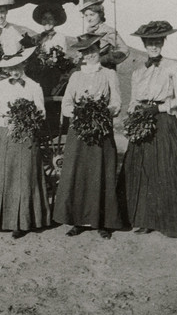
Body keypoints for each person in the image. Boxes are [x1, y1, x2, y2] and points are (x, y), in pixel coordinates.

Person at [117, 20, 177, 249]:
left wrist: (159, 108)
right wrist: (133, 112)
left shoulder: (173, 66)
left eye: (157, 42)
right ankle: (146, 220)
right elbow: (134, 99)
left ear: (162, 42)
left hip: (163, 119)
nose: (153, 46)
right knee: (142, 169)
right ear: (144, 44)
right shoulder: (138, 71)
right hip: (142, 120)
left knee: (168, 169)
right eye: (149, 43)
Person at [52, 33, 126, 239]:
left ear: (99, 52)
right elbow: (66, 104)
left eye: (93, 51)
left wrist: (104, 112)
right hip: (79, 130)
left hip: (101, 129)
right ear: (82, 55)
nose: (90, 55)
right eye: (86, 52)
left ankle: (101, 221)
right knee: (79, 172)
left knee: (101, 172)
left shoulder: (109, 74)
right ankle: (77, 221)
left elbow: (117, 103)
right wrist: (79, 113)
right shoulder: (76, 76)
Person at [0, 45, 51, 239]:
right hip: (8, 134)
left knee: (26, 175)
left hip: (28, 136)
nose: (14, 71)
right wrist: (7, 121)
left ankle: (26, 221)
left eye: (17, 66)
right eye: (10, 68)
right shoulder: (1, 87)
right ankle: (3, 219)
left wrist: (27, 120)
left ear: (24, 64)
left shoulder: (34, 86)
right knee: (7, 174)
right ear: (5, 70)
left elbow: (41, 113)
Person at [25, 3, 70, 96]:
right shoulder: (38, 38)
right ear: (41, 21)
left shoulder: (60, 37)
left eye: (50, 19)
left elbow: (60, 57)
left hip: (53, 71)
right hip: (38, 70)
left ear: (55, 21)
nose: (47, 21)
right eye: (45, 19)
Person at [80, 0, 129, 69]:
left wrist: (104, 59)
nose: (89, 19)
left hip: (105, 69)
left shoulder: (108, 31)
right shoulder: (89, 31)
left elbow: (124, 50)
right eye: (86, 15)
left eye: (92, 15)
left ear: (100, 14)